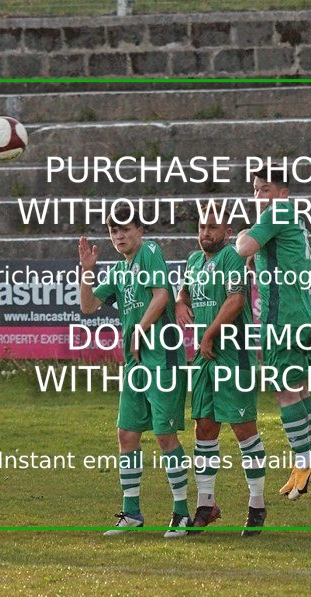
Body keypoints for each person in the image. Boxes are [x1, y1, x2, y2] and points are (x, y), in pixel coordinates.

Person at [78, 205, 191, 536]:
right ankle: (131, 513)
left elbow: (161, 296)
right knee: (126, 434)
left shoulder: (150, 251)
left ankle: (181, 513)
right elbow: (87, 307)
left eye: (125, 229)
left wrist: (139, 330)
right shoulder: (118, 270)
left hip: (163, 359)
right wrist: (87, 271)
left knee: (164, 436)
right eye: (114, 231)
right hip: (136, 364)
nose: (119, 236)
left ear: (140, 231)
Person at [175, 205, 267, 536]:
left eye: (213, 227)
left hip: (233, 355)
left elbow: (237, 301)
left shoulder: (232, 258)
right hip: (204, 357)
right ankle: (206, 505)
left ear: (227, 232)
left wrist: (209, 334)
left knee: (244, 431)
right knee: (205, 429)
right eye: (201, 226)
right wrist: (179, 301)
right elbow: (184, 290)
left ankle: (257, 505)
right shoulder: (194, 261)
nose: (205, 233)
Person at [236, 166, 311, 500]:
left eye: (266, 188)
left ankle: (303, 461)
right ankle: (307, 460)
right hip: (302, 314)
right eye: (256, 189)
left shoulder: (279, 212)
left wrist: (244, 234)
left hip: (282, 318)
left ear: (284, 193)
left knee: (284, 393)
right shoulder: (291, 217)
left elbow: (243, 247)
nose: (259, 195)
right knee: (299, 389)